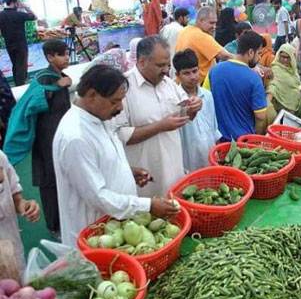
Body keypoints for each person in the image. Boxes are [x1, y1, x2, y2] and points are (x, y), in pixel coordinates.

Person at [53, 65, 180, 246]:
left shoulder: (100, 117)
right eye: (114, 102)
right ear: (91, 95)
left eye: (121, 100)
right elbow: (98, 197)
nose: (120, 108)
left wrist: (127, 172)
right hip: (94, 233)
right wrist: (148, 206)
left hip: (116, 227)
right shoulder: (76, 137)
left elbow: (101, 162)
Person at [113, 36, 202, 196]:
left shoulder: (169, 84)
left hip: (174, 173)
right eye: (160, 65)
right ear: (141, 62)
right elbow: (120, 135)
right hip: (144, 179)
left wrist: (194, 107)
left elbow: (186, 117)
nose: (166, 70)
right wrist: (160, 126)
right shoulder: (123, 88)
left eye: (168, 65)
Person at [3, 40, 70, 238]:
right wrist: (57, 86)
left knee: (64, 177)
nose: (66, 57)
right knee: (49, 181)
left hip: (60, 136)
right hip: (46, 141)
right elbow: (34, 101)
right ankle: (54, 225)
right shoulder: (44, 79)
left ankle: (64, 219)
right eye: (61, 54)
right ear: (50, 57)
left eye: (66, 53)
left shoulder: (60, 76)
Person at [210, 31, 268, 141]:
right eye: (259, 53)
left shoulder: (215, 70)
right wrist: (256, 136)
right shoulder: (254, 79)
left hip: (218, 139)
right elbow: (261, 116)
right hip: (242, 141)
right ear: (251, 52)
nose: (260, 58)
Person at [174, 49, 221, 172]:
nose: (193, 77)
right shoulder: (174, 100)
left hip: (210, 156)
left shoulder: (208, 95)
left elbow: (213, 128)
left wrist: (217, 154)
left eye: (195, 71)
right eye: (186, 73)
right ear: (177, 75)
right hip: (188, 161)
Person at [0, 145, 39, 271]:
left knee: (18, 288)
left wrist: (25, 206)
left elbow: (16, 198)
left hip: (13, 250)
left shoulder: (1, 157)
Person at [176, 6, 232, 85]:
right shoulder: (200, 35)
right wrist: (244, 61)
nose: (214, 27)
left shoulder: (186, 30)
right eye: (211, 23)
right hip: (198, 84)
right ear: (200, 21)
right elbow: (225, 56)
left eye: (215, 23)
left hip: (183, 82)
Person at [0, 0, 36, 86]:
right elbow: (34, 17)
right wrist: (26, 7)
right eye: (18, 2)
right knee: (21, 66)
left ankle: (18, 85)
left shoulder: (1, 15)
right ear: (14, 2)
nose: (19, 4)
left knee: (15, 65)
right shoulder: (19, 14)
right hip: (20, 44)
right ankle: (21, 86)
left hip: (9, 44)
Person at [268, 44, 301, 114]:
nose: (285, 60)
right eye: (283, 57)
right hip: (281, 107)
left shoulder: (292, 69)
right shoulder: (275, 69)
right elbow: (273, 85)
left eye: (288, 57)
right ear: (278, 56)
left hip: (293, 106)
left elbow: (294, 81)